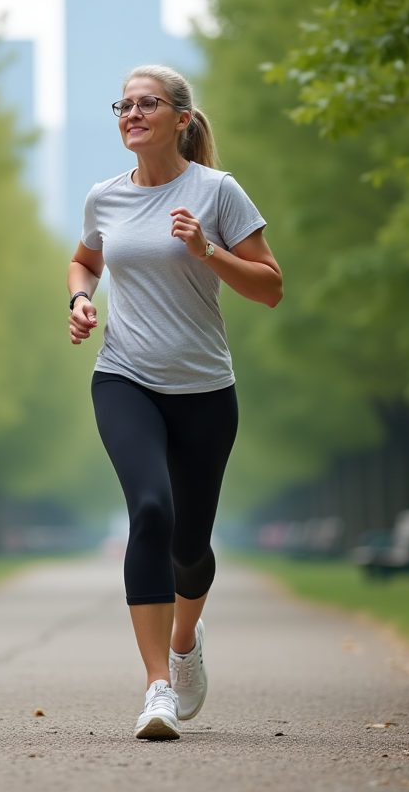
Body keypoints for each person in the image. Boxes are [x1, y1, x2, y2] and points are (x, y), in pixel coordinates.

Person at [67, 65, 282, 740]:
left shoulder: (217, 192)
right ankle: (157, 685)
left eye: (146, 104)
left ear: (180, 119)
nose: (131, 114)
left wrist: (206, 249)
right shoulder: (105, 197)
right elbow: (85, 261)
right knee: (151, 513)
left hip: (205, 391)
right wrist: (78, 299)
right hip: (124, 378)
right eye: (123, 105)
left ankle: (185, 643)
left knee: (192, 546)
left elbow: (270, 287)